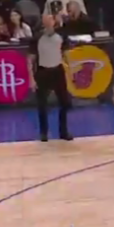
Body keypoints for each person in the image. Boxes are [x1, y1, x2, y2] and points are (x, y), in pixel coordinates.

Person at [29, 13, 73, 142]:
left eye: (50, 20)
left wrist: (70, 71)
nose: (47, 22)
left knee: (65, 102)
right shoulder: (37, 38)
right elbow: (30, 59)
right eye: (45, 20)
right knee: (42, 104)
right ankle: (43, 132)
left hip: (58, 70)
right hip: (43, 71)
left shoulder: (61, 36)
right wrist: (31, 78)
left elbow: (66, 54)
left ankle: (63, 131)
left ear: (54, 21)